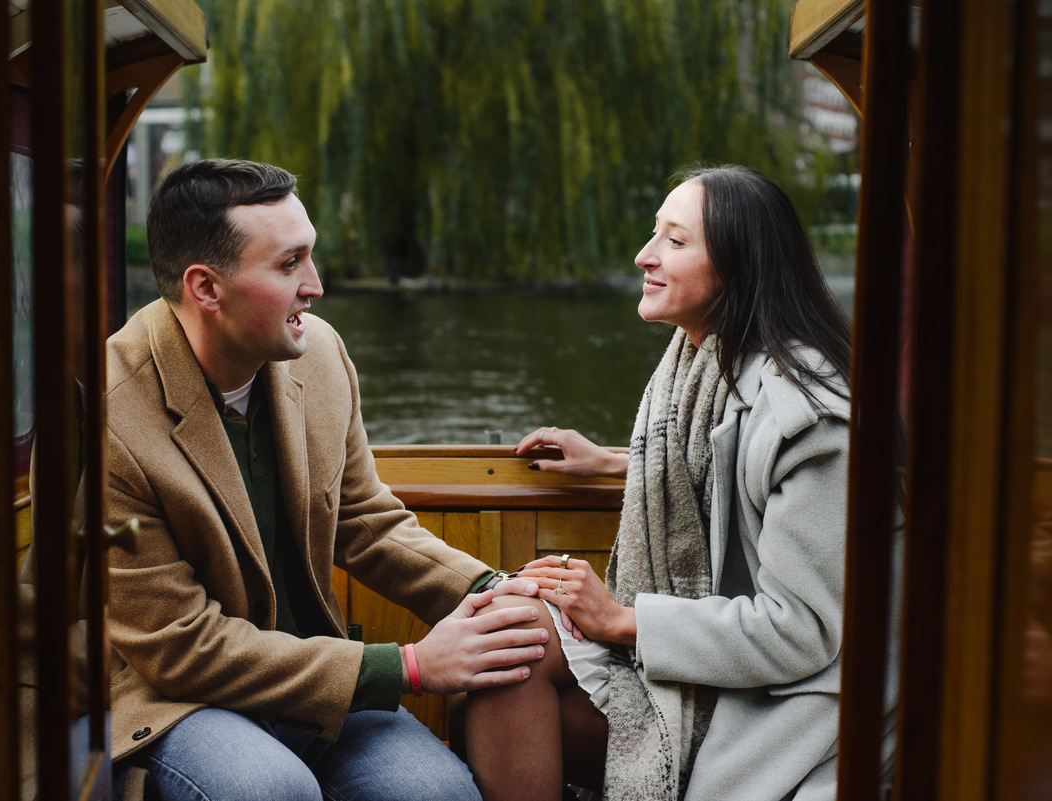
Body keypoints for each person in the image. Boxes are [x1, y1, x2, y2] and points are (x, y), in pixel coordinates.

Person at [104, 158, 546, 801]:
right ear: (205, 288)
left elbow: (365, 520)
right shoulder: (108, 416)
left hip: (312, 683)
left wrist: (492, 589)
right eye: (289, 264)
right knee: (271, 791)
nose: (315, 285)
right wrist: (412, 668)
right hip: (168, 699)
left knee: (434, 795)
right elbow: (181, 650)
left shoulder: (321, 354)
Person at [463, 165, 891, 801]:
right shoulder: (706, 363)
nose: (644, 256)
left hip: (785, 706)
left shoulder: (815, 424)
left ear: (739, 268)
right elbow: (723, 471)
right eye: (653, 235)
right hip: (715, 671)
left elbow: (799, 632)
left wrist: (621, 619)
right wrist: (615, 461)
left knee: (508, 649)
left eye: (675, 241)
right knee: (509, 637)